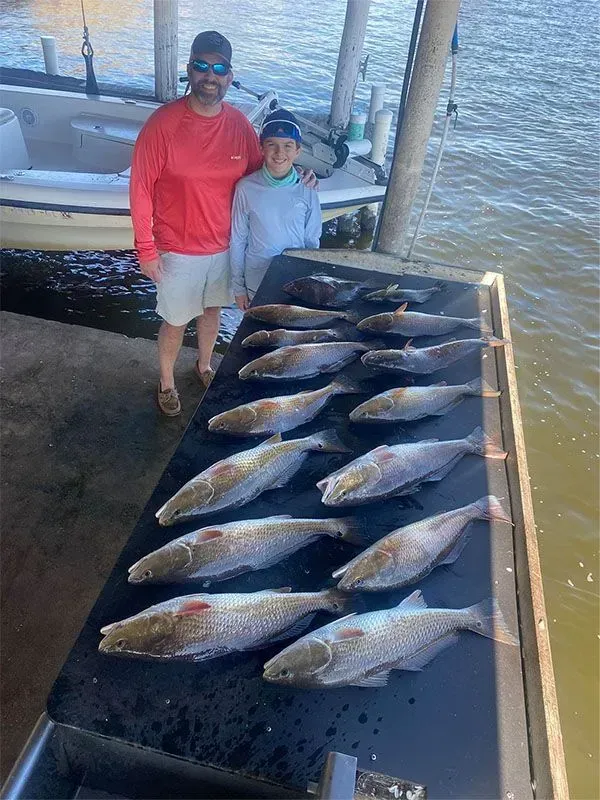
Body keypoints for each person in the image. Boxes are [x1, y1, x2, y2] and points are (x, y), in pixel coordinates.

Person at [131, 32, 318, 416]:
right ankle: (166, 382)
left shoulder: (238, 125)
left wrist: (299, 174)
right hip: (178, 248)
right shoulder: (162, 124)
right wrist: (146, 250)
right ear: (189, 70)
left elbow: (266, 170)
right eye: (201, 65)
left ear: (230, 76)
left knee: (212, 312)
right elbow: (140, 189)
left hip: (225, 245)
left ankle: (203, 365)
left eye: (219, 68)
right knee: (175, 320)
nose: (209, 75)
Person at [230, 109, 322, 310]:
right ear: (261, 147)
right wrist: (238, 288)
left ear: (298, 151)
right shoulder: (245, 188)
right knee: (256, 337)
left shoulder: (308, 188)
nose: (280, 153)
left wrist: (309, 284)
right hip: (256, 281)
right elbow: (238, 240)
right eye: (272, 145)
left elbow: (312, 242)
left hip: (294, 282)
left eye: (288, 146)